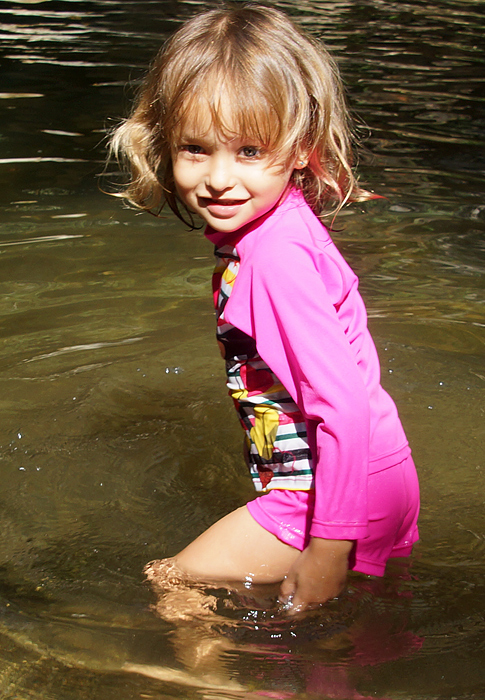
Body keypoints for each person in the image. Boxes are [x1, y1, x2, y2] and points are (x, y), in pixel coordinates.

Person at [109, 2, 420, 615]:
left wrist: (328, 548)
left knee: (173, 585)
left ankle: (210, 687)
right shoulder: (280, 227)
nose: (219, 178)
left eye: (249, 150)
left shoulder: (272, 259)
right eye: (195, 149)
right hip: (373, 477)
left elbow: (344, 409)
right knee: (341, 637)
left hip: (331, 490)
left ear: (301, 148)